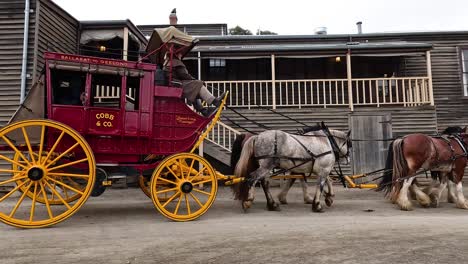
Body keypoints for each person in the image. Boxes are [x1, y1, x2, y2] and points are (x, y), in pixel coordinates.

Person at [163, 50, 226, 116]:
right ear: (176, 55)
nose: (181, 55)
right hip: (177, 85)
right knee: (198, 85)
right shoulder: (175, 62)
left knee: (195, 90)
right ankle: (215, 102)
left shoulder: (168, 62)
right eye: (180, 54)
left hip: (174, 84)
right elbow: (185, 75)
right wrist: (195, 80)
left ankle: (204, 111)